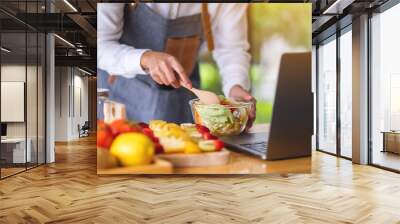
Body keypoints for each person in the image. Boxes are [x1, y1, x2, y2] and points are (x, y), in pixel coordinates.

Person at [98, 3, 256, 130]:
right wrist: (144, 58)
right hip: (120, 93)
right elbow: (100, 44)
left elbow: (231, 48)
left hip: (181, 98)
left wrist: (236, 85)